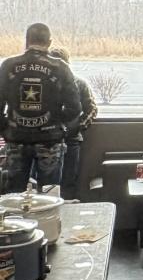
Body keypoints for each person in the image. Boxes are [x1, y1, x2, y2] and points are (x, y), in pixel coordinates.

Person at [0, 22, 82, 192]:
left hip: (16, 138)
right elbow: (75, 107)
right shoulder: (60, 67)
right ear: (49, 42)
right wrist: (57, 122)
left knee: (14, 194)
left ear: (26, 40)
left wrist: (6, 128)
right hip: (50, 139)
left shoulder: (8, 66)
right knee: (49, 193)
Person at [49, 46, 97, 200]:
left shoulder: (79, 83)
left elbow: (92, 109)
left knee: (68, 181)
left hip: (70, 140)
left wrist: (78, 127)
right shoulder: (46, 84)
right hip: (48, 140)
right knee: (48, 184)